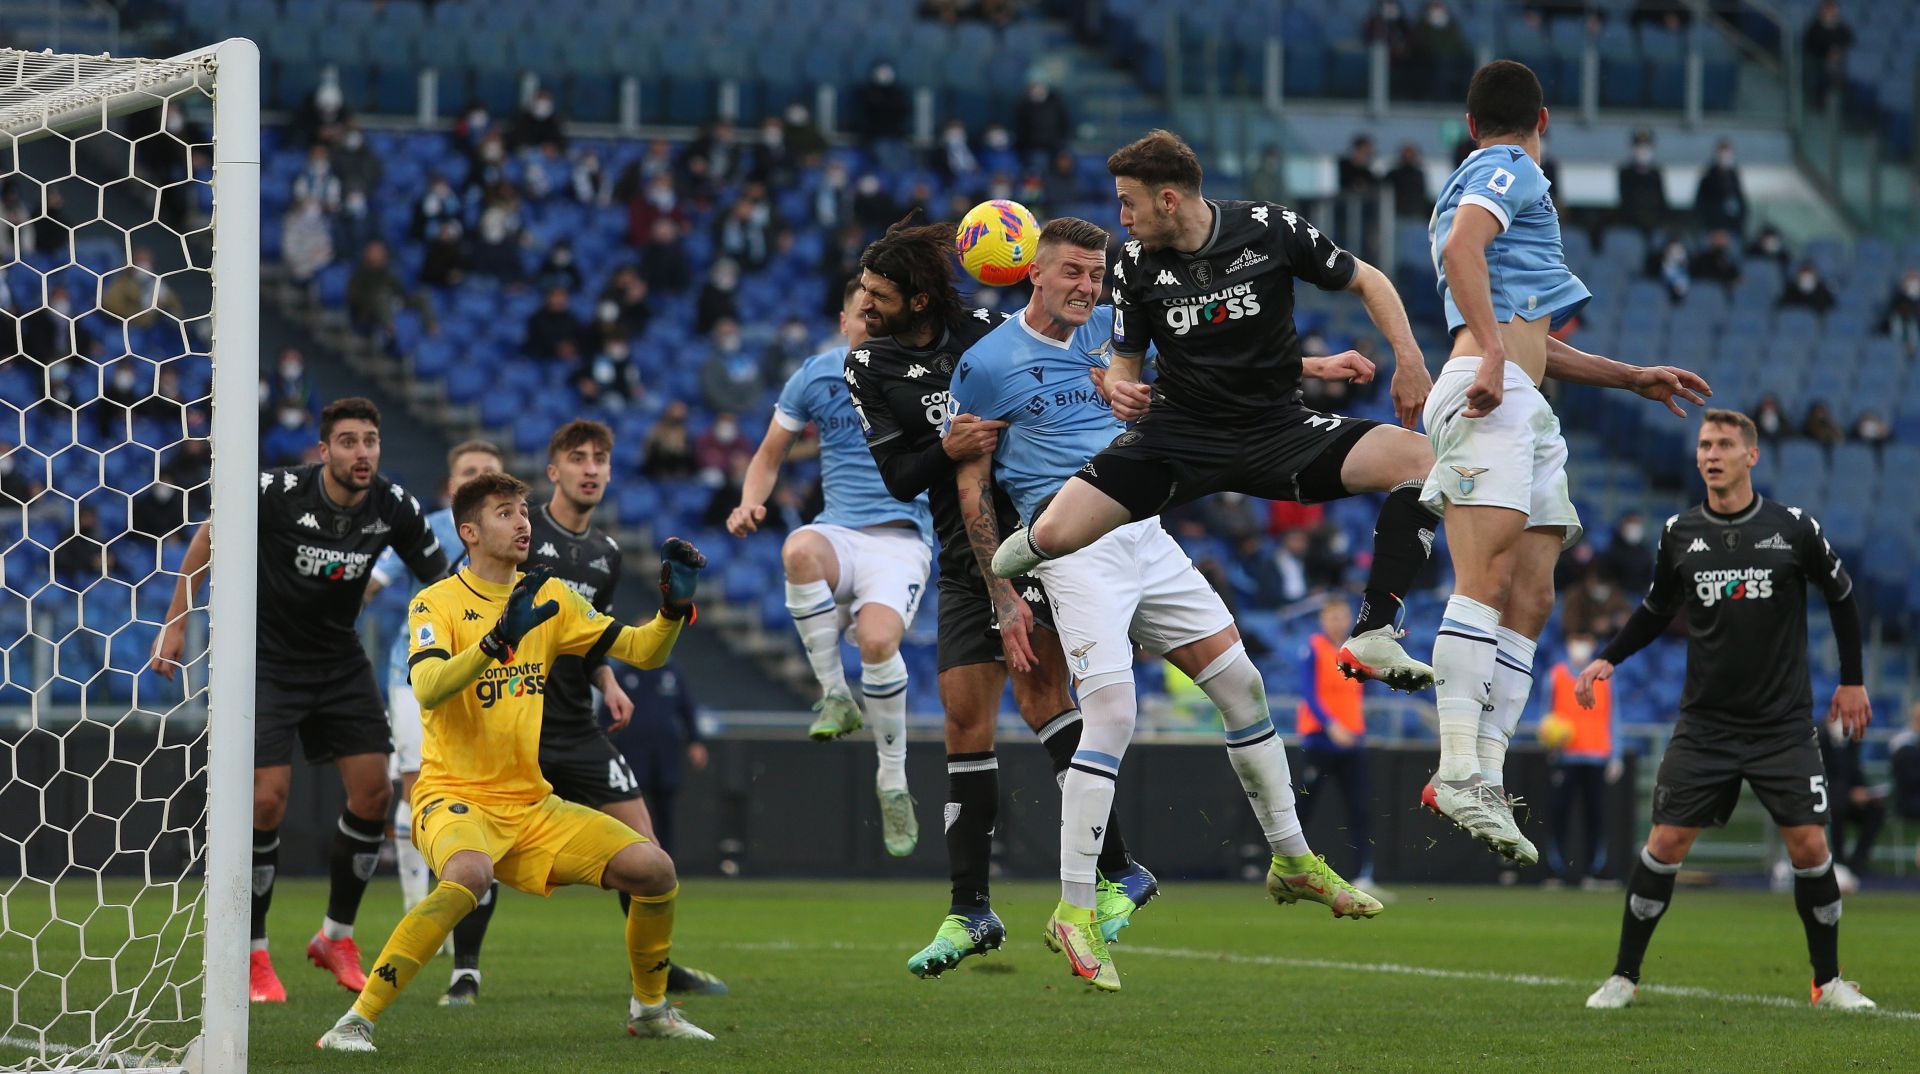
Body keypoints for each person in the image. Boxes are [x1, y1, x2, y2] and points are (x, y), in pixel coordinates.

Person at [950, 218, 1379, 991]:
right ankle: (1074, 910)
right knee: (1112, 715)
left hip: (1144, 531)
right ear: (1034, 275)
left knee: (1242, 685)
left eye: (1097, 273)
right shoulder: (986, 365)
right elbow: (972, 484)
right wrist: (1002, 591)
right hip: (1071, 548)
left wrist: (1315, 366)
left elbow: (1209, 374)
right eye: (1075, 273)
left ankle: (1292, 858)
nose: (1089, 285)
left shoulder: (1116, 335)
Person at [989, 129, 1446, 701]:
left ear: (1169, 200)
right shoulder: (1133, 263)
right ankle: (1023, 581)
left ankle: (1376, 630)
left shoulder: (1270, 228)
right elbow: (1127, 365)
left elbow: (1367, 279)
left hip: (1281, 431)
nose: (1121, 216)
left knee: (1430, 464)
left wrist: (1409, 360)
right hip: (1179, 436)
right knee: (1049, 534)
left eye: (1128, 201)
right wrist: (1122, 391)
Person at [841, 215, 1155, 980]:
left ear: (918, 299)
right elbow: (902, 478)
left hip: (1037, 544)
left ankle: (1118, 869)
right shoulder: (866, 367)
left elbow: (1104, 361)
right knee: (961, 718)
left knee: (1044, 695)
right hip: (961, 554)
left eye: (879, 293)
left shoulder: (988, 331)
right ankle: (970, 909)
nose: (864, 303)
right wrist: (942, 449)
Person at [1419, 60, 1709, 864]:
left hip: (1523, 396)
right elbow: (1462, 253)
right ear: (1541, 120)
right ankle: (1454, 767)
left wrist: (1630, 377)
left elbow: (1531, 338)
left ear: (1474, 122)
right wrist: (1485, 359)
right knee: (1482, 581)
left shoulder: (1483, 169)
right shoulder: (1505, 167)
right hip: (1492, 390)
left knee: (1536, 593)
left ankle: (1486, 769)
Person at [314, 474, 716, 1049]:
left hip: (530, 805)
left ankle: (650, 1010)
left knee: (655, 871)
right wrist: (495, 639)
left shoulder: (551, 598)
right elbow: (427, 686)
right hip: (452, 798)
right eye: (506, 513)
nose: (523, 522)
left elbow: (641, 652)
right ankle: (355, 1021)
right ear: (469, 532)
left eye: (524, 510)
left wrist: (674, 608)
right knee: (470, 876)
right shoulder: (437, 601)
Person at [148, 398, 451, 1003]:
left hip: (339, 661)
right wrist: (176, 622)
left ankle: (335, 936)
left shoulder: (394, 506)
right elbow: (211, 533)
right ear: (324, 451)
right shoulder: (278, 492)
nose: (361, 453)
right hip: (269, 661)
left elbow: (441, 580)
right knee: (267, 800)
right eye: (348, 442)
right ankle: (254, 953)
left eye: (370, 440)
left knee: (375, 793)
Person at [1576, 408, 1875, 1011]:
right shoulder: (1679, 533)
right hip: (1706, 725)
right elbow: (1657, 608)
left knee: (1811, 849)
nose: (1710, 454)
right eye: (1704, 445)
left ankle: (1829, 982)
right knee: (1665, 842)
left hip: (1782, 725)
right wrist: (1610, 657)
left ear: (1751, 456)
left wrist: (1852, 681)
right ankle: (1623, 976)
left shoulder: (1792, 528)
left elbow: (1842, 597)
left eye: (1723, 444)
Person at [442, 421, 728, 1005]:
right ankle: (465, 972)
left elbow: (589, 631)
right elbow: (464, 607)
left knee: (648, 850)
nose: (591, 469)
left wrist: (607, 679)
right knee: (482, 850)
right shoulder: (515, 530)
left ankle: (656, 973)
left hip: (575, 722)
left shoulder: (606, 553)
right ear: (554, 472)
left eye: (601, 459)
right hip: (513, 722)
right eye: (578, 459)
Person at [727, 278, 934, 856]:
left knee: (876, 643)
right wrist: (750, 501)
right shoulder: (817, 376)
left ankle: (892, 777)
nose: (870, 324)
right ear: (845, 324)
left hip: (900, 540)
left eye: (880, 315)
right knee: (796, 548)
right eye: (861, 316)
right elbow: (769, 455)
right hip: (840, 531)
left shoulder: (923, 374)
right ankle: (834, 696)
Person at [366, 440, 502, 930]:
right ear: (451, 485)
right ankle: (416, 913)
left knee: (482, 797)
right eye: (470, 470)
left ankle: (458, 906)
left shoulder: (519, 536)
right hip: (415, 675)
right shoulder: (424, 529)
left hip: (489, 680)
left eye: (489, 470)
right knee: (417, 789)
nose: (480, 477)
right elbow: (373, 584)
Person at [1294, 597, 1376, 887]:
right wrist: (1331, 725)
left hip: (1352, 740)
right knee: (1304, 806)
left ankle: (1363, 874)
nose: (1338, 623)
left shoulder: (1355, 651)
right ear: (1323, 620)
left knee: (1360, 809)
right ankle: (1291, 866)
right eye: (1332, 617)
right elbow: (1309, 693)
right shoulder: (1313, 649)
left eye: (1342, 617)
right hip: (1320, 739)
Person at [604, 660, 706, 856]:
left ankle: (665, 864)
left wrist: (695, 741)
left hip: (665, 756)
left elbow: (687, 710)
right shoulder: (623, 674)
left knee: (664, 813)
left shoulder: (672, 672)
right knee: (631, 814)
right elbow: (605, 717)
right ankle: (632, 863)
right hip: (632, 755)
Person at [1545, 635, 1615, 885]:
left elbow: (1612, 718)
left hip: (1597, 755)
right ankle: (1556, 870)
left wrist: (1615, 756)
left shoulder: (1605, 679)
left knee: (1595, 815)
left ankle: (1594, 871)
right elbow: (1547, 716)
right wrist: (1552, 745)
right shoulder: (1556, 675)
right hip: (1566, 756)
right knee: (1559, 813)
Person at [1615, 129, 1668, 236]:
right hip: (1632, 226)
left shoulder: (1656, 173)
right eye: (1639, 147)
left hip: (1654, 225)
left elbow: (1661, 201)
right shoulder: (1625, 173)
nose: (1643, 151)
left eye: (1646, 147)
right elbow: (1626, 202)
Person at [1693, 140, 1747, 236]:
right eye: (1722, 155)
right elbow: (1700, 205)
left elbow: (1741, 204)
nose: (1724, 159)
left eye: (1727, 156)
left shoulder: (1734, 178)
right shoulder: (1707, 178)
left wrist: (1738, 224)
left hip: (1732, 229)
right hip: (1711, 229)